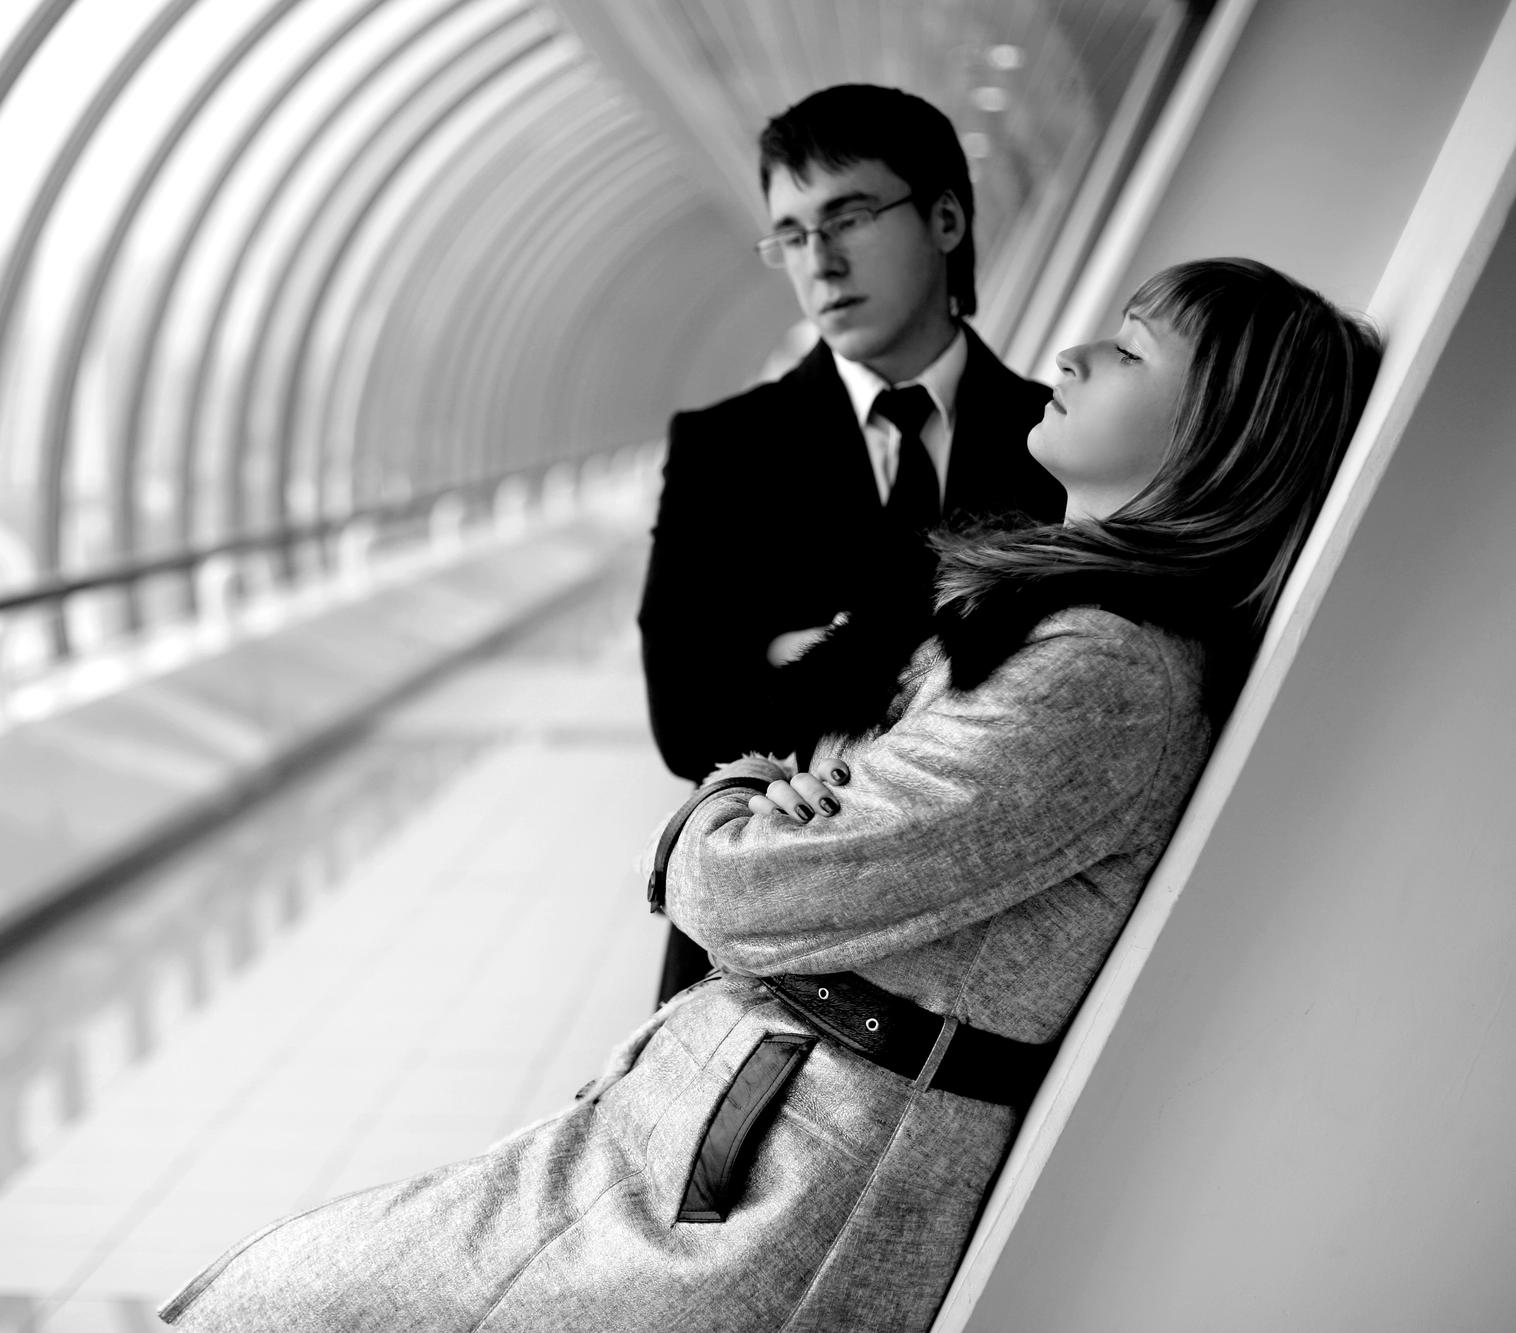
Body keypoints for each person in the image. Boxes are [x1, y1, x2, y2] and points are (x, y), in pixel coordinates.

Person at [155, 258, 1379, 1333]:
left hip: (768, 1184)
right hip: (735, 1121)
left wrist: (727, 800)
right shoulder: (1063, 633)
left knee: (297, 1297)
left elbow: (749, 886)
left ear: (1216, 428)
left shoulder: (1101, 672)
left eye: (1127, 347)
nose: (1074, 351)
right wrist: (773, 805)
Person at [641, 85, 1065, 1005]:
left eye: (850, 217)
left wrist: (795, 657)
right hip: (751, 971)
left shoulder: (1060, 440)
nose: (819, 262)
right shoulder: (723, 448)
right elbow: (686, 719)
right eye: (790, 235)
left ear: (946, 218)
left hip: (968, 975)